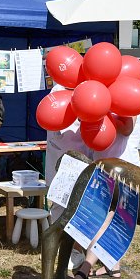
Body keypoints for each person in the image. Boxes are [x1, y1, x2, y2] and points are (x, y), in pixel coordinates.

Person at [67, 113, 140, 279]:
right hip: (102, 165)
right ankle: (113, 265)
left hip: (124, 169)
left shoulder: (126, 95)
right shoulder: (104, 94)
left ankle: (84, 269)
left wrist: (103, 114)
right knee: (109, 217)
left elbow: (126, 128)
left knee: (104, 218)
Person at [45, 84, 93, 269]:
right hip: (62, 159)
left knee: (80, 206)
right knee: (60, 204)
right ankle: (63, 246)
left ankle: (76, 248)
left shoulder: (86, 88)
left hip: (80, 157)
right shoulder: (57, 91)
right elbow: (53, 123)